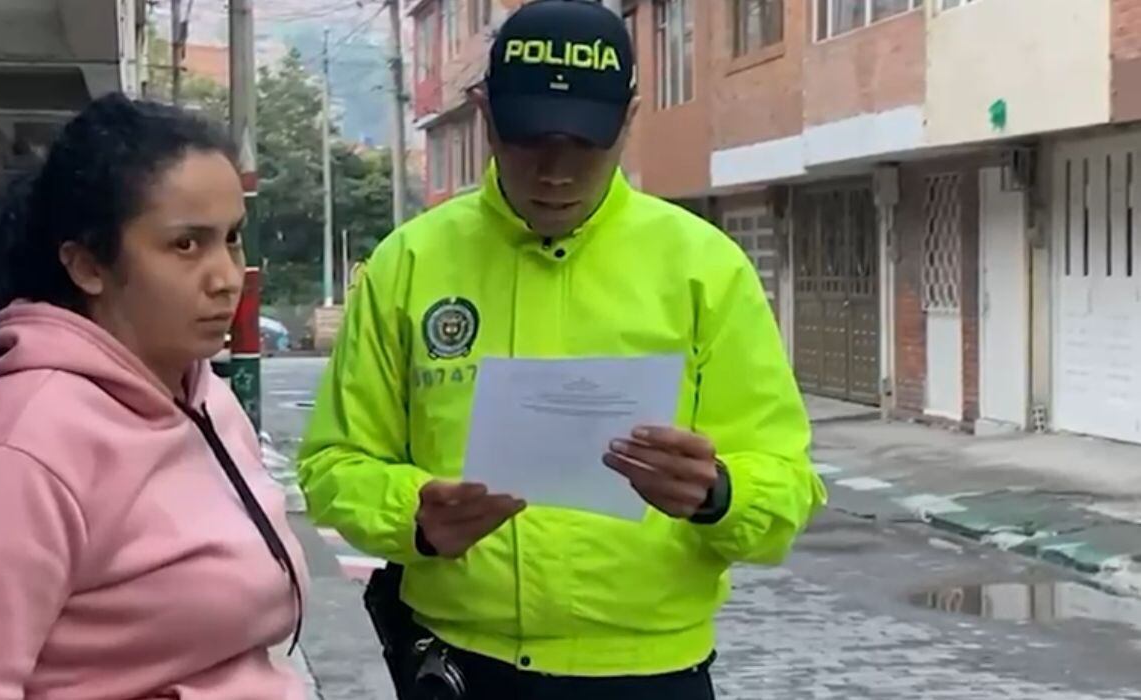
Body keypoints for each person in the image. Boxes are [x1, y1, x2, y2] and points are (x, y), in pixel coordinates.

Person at [299, 0, 826, 698]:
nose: (554, 171)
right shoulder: (410, 265)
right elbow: (333, 464)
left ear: (629, 119)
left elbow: (789, 485)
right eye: (527, 141)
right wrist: (413, 513)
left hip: (651, 675)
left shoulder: (705, 268)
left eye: (584, 145)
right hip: (463, 667)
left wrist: (719, 494)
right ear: (484, 113)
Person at [0, 94, 308, 699]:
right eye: (186, 245)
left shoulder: (203, 399)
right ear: (88, 266)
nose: (226, 276)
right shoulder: (14, 457)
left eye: (233, 239)